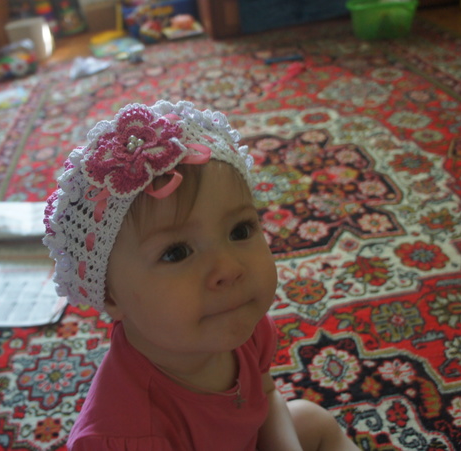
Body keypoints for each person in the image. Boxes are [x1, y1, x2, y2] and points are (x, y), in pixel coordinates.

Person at [43, 101, 359, 450]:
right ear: (109, 295)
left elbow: (266, 394)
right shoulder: (124, 435)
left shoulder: (240, 323)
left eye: (240, 231)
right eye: (176, 252)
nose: (229, 269)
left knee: (312, 419)